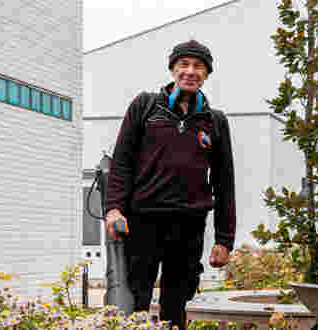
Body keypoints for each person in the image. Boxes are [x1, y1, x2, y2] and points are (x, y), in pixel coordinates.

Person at [104, 39, 236, 329]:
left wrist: (225, 240)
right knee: (135, 300)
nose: (191, 71)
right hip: (143, 221)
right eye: (184, 65)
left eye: (198, 66)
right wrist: (113, 208)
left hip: (188, 225)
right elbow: (121, 163)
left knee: (176, 304)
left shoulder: (214, 121)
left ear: (207, 74)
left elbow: (224, 182)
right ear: (173, 70)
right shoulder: (145, 106)